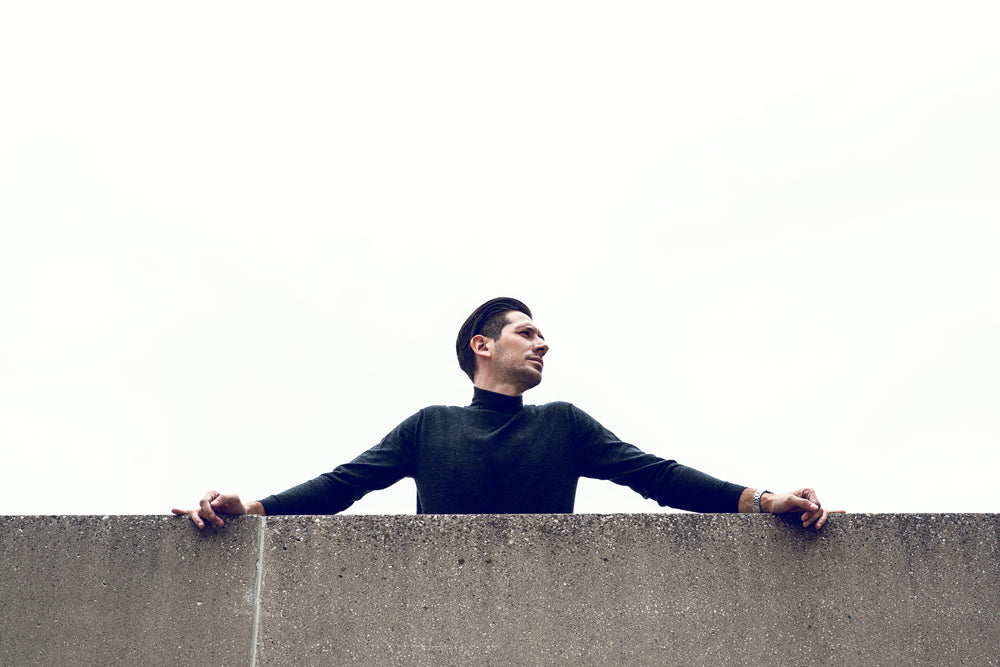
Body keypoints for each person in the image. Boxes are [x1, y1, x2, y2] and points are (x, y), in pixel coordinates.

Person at [173, 297, 840, 529]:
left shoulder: (564, 424)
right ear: (483, 345)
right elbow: (342, 485)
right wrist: (251, 507)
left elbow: (658, 475)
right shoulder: (429, 427)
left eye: (543, 335)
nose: (544, 342)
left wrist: (764, 500)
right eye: (527, 331)